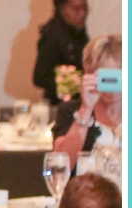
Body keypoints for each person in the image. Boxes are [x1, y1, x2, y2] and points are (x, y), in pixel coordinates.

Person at [52, 34, 122, 169]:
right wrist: (85, 110)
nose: (112, 87)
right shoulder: (71, 111)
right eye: (105, 77)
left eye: (119, 77)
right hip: (85, 189)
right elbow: (59, 168)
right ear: (89, 73)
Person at [33, 0, 90, 102]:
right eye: (76, 8)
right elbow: (39, 77)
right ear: (62, 9)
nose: (83, 13)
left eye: (85, 8)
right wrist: (70, 83)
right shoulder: (52, 35)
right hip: (59, 105)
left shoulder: (79, 33)